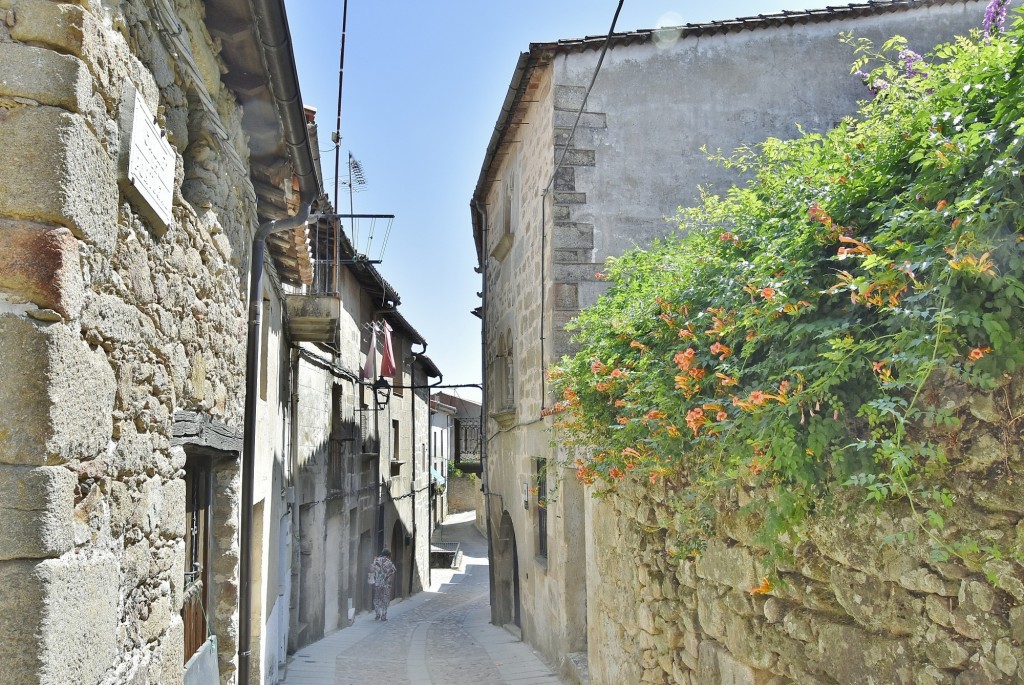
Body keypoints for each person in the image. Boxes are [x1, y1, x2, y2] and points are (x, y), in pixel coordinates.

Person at [370, 549, 397, 621]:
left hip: (377, 583)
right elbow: (393, 570)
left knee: (377, 599)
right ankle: (383, 616)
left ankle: (377, 614)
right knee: (385, 599)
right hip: (386, 584)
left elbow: (372, 570)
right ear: (388, 555)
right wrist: (387, 576)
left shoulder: (376, 560)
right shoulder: (389, 562)